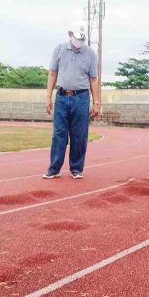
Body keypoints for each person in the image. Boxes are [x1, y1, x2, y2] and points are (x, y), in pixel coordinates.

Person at [43, 22, 101, 179]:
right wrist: (48, 97)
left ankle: (76, 168)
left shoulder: (89, 53)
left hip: (81, 97)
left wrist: (96, 102)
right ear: (70, 36)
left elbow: (94, 79)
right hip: (62, 96)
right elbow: (52, 73)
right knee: (59, 133)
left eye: (82, 41)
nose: (79, 43)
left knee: (79, 134)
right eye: (76, 40)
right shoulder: (59, 49)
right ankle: (54, 168)